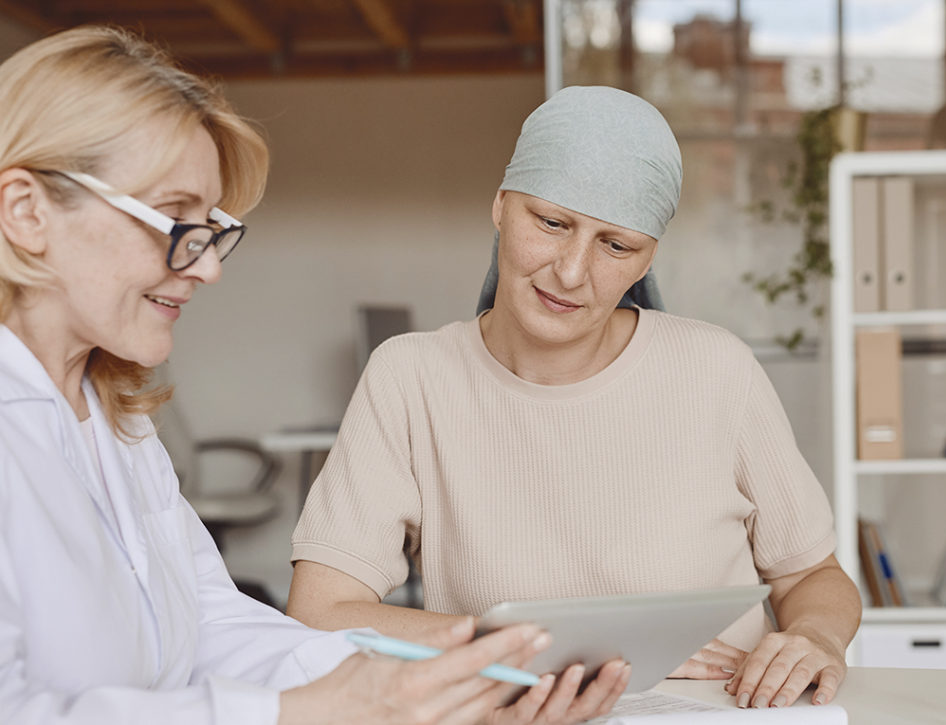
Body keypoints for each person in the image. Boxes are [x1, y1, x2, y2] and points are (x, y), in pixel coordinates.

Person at [0, 25, 582, 725]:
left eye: (212, 230)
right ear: (26, 211)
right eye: (173, 220)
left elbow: (211, 623)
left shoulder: (114, 420)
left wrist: (435, 683)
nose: (209, 266)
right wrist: (298, 711)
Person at [287, 85, 862, 711]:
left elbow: (810, 575)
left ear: (646, 262)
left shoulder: (717, 368)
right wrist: (556, 651)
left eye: (616, 245)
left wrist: (814, 635)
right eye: (552, 223)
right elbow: (321, 612)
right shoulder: (409, 377)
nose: (571, 272)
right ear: (502, 207)